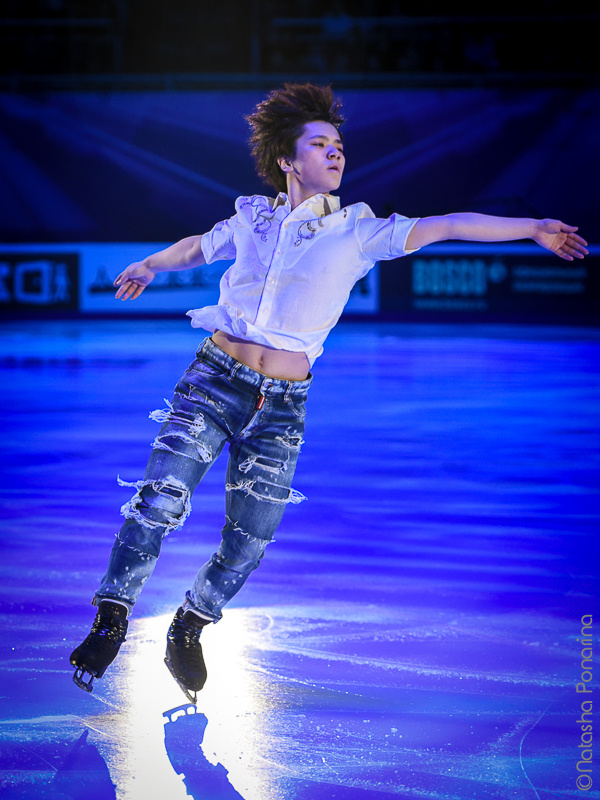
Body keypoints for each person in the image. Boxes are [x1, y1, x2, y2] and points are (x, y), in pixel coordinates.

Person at [70, 83, 588, 703]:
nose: (336, 154)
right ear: (288, 160)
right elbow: (198, 248)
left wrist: (532, 225)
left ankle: (190, 626)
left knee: (248, 541)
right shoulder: (252, 217)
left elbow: (448, 223)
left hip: (282, 408)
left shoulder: (359, 230)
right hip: (212, 381)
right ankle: (111, 616)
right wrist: (151, 263)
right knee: (160, 501)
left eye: (338, 144)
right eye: (319, 144)